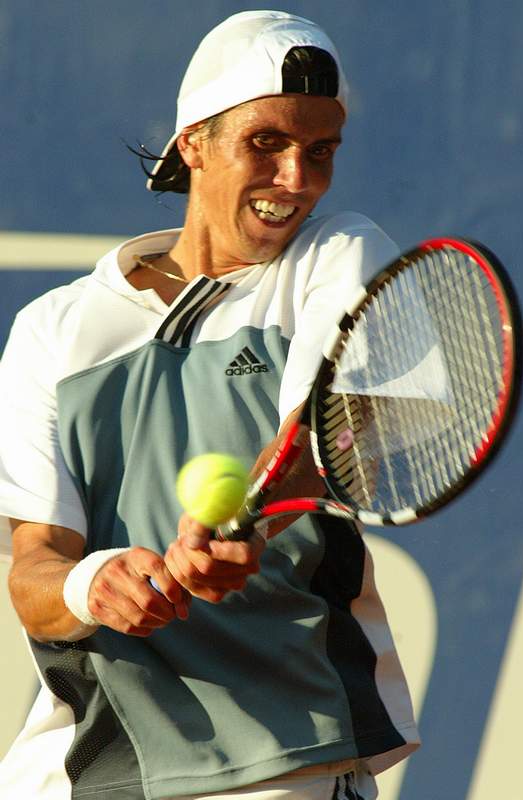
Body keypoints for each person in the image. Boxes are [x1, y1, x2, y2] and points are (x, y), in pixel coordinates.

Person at [0, 10, 419, 800]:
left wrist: (247, 521)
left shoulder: (341, 255)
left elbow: (327, 431)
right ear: (193, 142)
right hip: (79, 777)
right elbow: (34, 575)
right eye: (266, 143)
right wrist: (92, 584)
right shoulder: (52, 331)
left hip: (287, 766)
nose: (296, 179)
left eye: (319, 151)